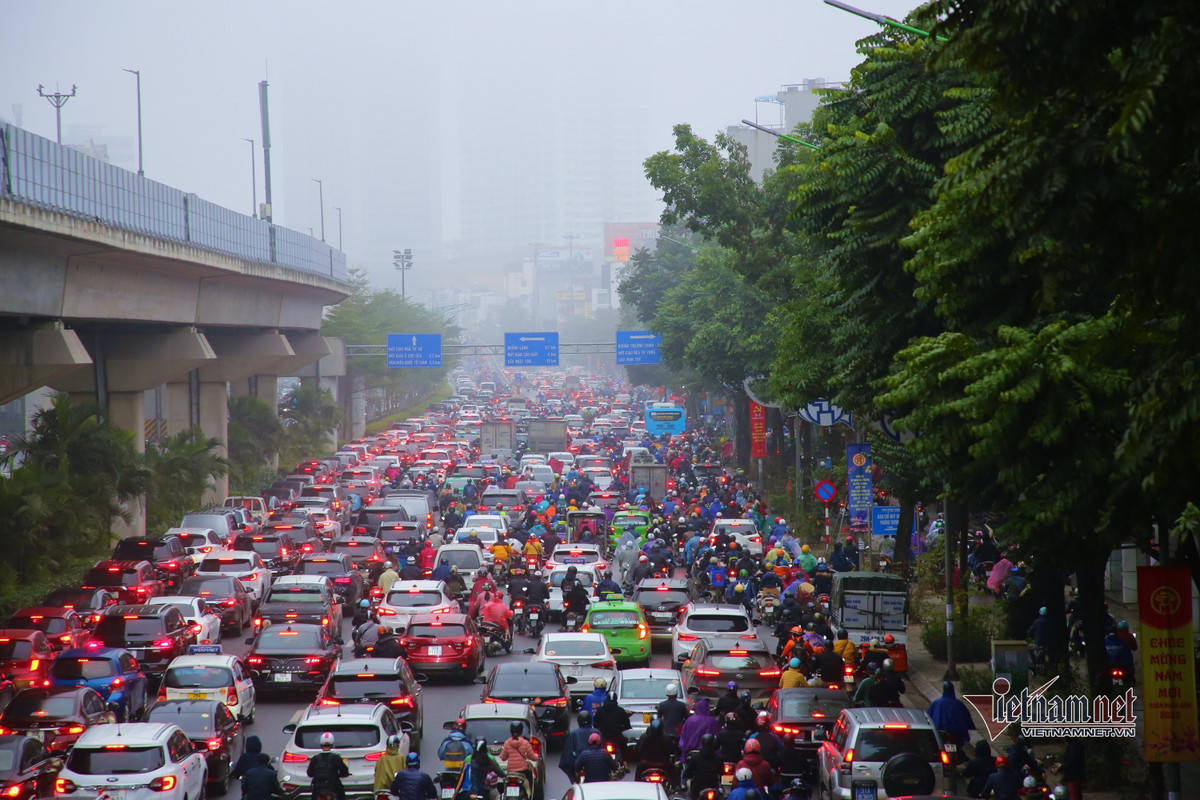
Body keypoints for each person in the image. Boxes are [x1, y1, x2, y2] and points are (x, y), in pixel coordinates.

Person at [928, 680, 975, 749]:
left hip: (941, 733)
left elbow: (928, 717)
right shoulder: (959, 704)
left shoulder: (937, 703)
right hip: (954, 734)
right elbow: (967, 718)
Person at [308, 732, 350, 800]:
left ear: (320, 745)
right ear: (332, 744)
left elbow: (309, 773)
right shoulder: (336, 758)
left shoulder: (315, 758)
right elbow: (344, 771)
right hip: (333, 788)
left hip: (318, 788)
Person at [559, 711, 599, 780]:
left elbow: (565, 759)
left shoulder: (574, 734)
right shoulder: (597, 732)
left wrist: (572, 779)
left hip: (579, 767)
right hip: (596, 768)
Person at [681, 734, 721, 800]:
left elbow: (687, 773)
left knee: (687, 796)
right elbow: (721, 773)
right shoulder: (718, 759)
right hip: (713, 787)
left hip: (696, 789)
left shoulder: (695, 757)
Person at [500, 722, 538, 789]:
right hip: (523, 772)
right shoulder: (525, 743)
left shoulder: (507, 743)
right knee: (529, 777)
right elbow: (532, 757)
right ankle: (530, 793)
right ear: (521, 731)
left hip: (510, 772)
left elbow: (503, 758)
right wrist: (537, 756)